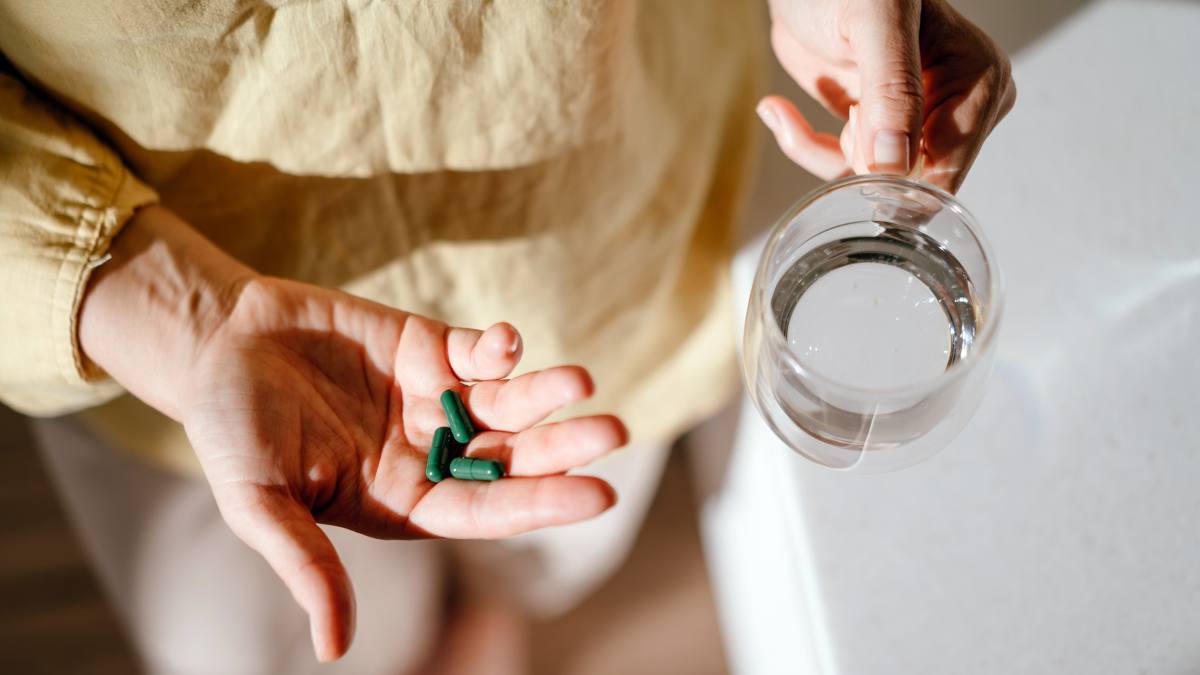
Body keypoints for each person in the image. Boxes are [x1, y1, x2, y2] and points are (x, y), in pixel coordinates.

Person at [0, 0, 1014, 672]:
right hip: (177, 356)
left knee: (550, 553)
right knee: (276, 641)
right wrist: (186, 314)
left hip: (595, 246)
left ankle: (486, 627)